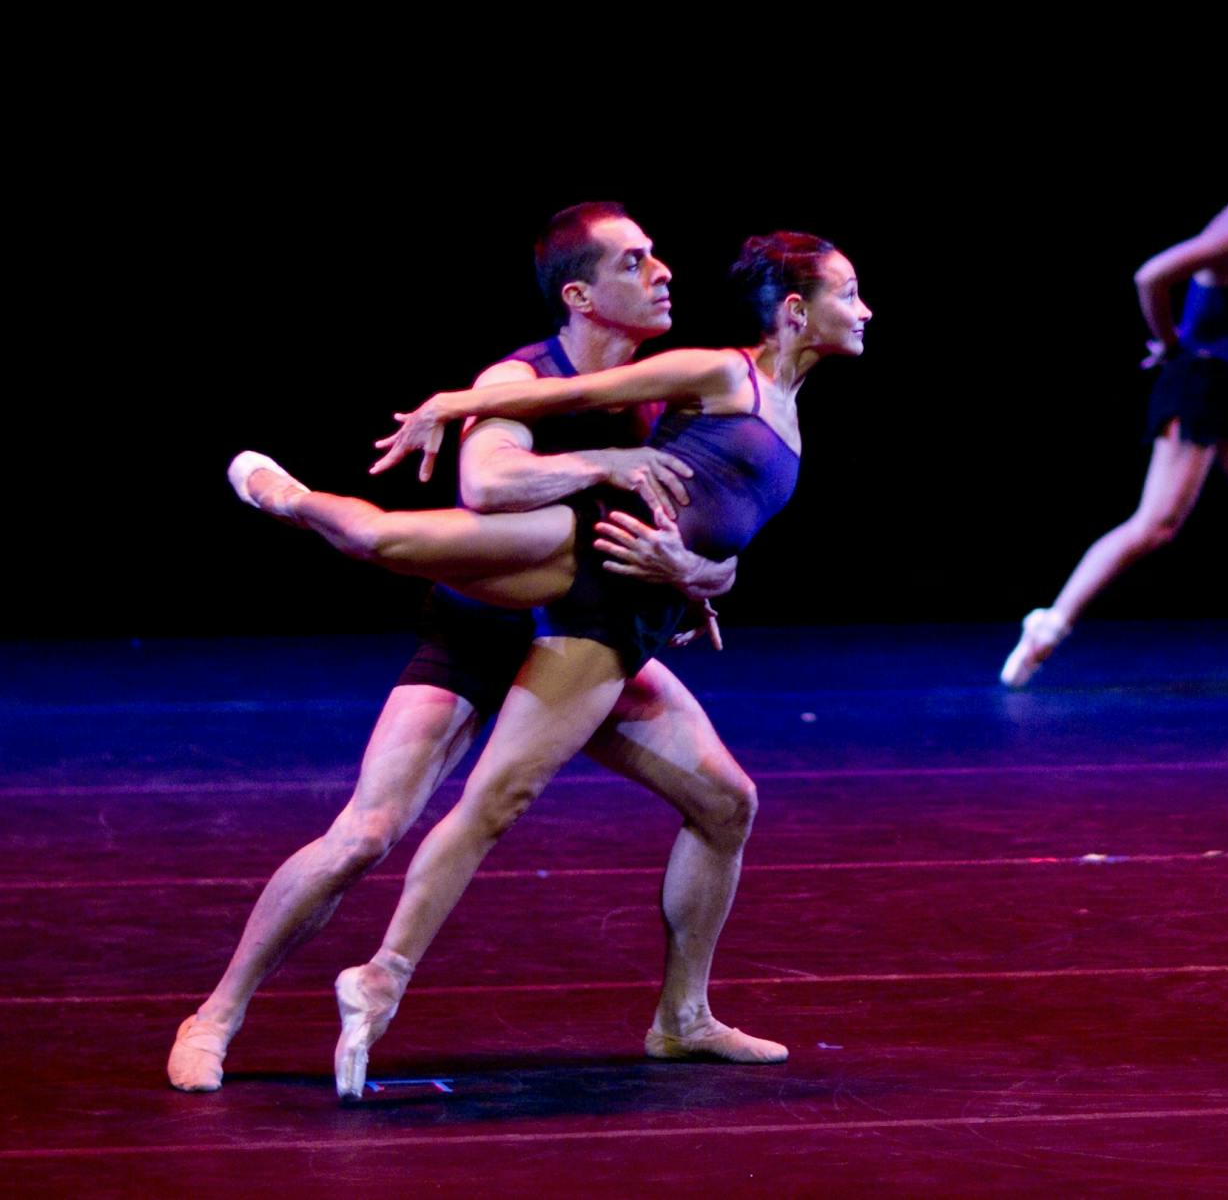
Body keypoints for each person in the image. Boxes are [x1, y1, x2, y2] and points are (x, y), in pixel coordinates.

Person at [232, 230, 867, 1097]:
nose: (864, 311)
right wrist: (451, 404)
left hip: (629, 615)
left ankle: (681, 1020)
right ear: (796, 310)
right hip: (585, 582)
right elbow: (566, 404)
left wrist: (696, 576)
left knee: (721, 801)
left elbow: (723, 536)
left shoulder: (784, 415)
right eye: (849, 293)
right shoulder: (720, 373)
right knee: (391, 549)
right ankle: (287, 495)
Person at [1000, 111, 1228, 687]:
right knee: (1156, 525)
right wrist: (1170, 343)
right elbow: (1151, 276)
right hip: (1196, 384)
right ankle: (1048, 624)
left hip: (1226, 385)